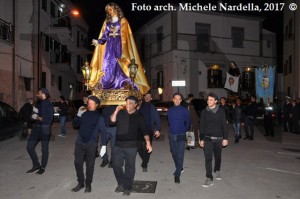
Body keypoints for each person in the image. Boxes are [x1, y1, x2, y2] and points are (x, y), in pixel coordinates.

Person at [90, 2, 150, 94]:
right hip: (109, 46)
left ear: (116, 9)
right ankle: (107, 85)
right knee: (108, 64)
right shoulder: (107, 22)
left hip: (120, 45)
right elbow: (104, 35)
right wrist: (98, 41)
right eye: (108, 10)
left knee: (120, 64)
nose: (111, 11)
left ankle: (122, 84)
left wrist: (123, 48)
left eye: (112, 9)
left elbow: (125, 35)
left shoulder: (123, 21)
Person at [110, 96, 152, 196]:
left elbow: (145, 131)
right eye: (127, 102)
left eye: (131, 103)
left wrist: (148, 143)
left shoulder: (139, 115)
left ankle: (127, 187)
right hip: (118, 145)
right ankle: (120, 183)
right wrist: (116, 110)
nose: (128, 105)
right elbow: (111, 122)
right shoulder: (120, 113)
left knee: (129, 167)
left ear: (136, 105)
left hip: (131, 146)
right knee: (116, 165)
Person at [71, 96, 107, 193]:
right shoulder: (83, 113)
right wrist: (78, 115)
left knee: (90, 165)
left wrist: (104, 146)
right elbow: (75, 124)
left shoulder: (99, 117)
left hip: (91, 143)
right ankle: (81, 183)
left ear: (96, 105)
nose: (89, 105)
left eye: (91, 103)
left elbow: (103, 132)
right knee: (77, 163)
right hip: (80, 142)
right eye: (88, 103)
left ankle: (88, 184)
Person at [199, 92, 228, 187]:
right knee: (208, 158)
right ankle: (209, 177)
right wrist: (201, 139)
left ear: (216, 101)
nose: (208, 101)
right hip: (207, 138)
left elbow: (224, 126)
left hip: (218, 139)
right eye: (208, 99)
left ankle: (217, 170)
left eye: (211, 100)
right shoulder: (204, 112)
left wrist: (225, 138)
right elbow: (202, 126)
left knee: (218, 156)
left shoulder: (221, 112)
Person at [26, 88, 54, 175]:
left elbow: (48, 120)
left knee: (44, 149)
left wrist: (37, 117)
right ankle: (36, 165)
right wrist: (32, 116)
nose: (36, 94)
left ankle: (42, 167)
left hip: (45, 128)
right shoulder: (38, 104)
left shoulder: (49, 105)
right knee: (29, 147)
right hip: (36, 128)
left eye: (38, 93)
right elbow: (33, 114)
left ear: (44, 94)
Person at [167, 93, 190, 184]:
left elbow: (188, 123)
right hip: (171, 134)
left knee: (180, 154)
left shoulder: (184, 111)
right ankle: (179, 167)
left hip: (181, 134)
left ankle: (177, 174)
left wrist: (182, 131)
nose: (177, 100)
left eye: (179, 99)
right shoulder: (170, 110)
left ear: (181, 100)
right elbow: (169, 122)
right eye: (175, 99)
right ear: (173, 99)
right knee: (173, 152)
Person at [138, 92, 161, 172]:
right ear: (144, 98)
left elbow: (157, 118)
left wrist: (158, 129)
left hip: (148, 130)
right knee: (138, 147)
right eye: (146, 96)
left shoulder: (152, 107)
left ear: (151, 98)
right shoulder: (140, 106)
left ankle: (145, 164)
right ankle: (145, 159)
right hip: (139, 130)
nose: (147, 97)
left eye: (149, 96)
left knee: (147, 147)